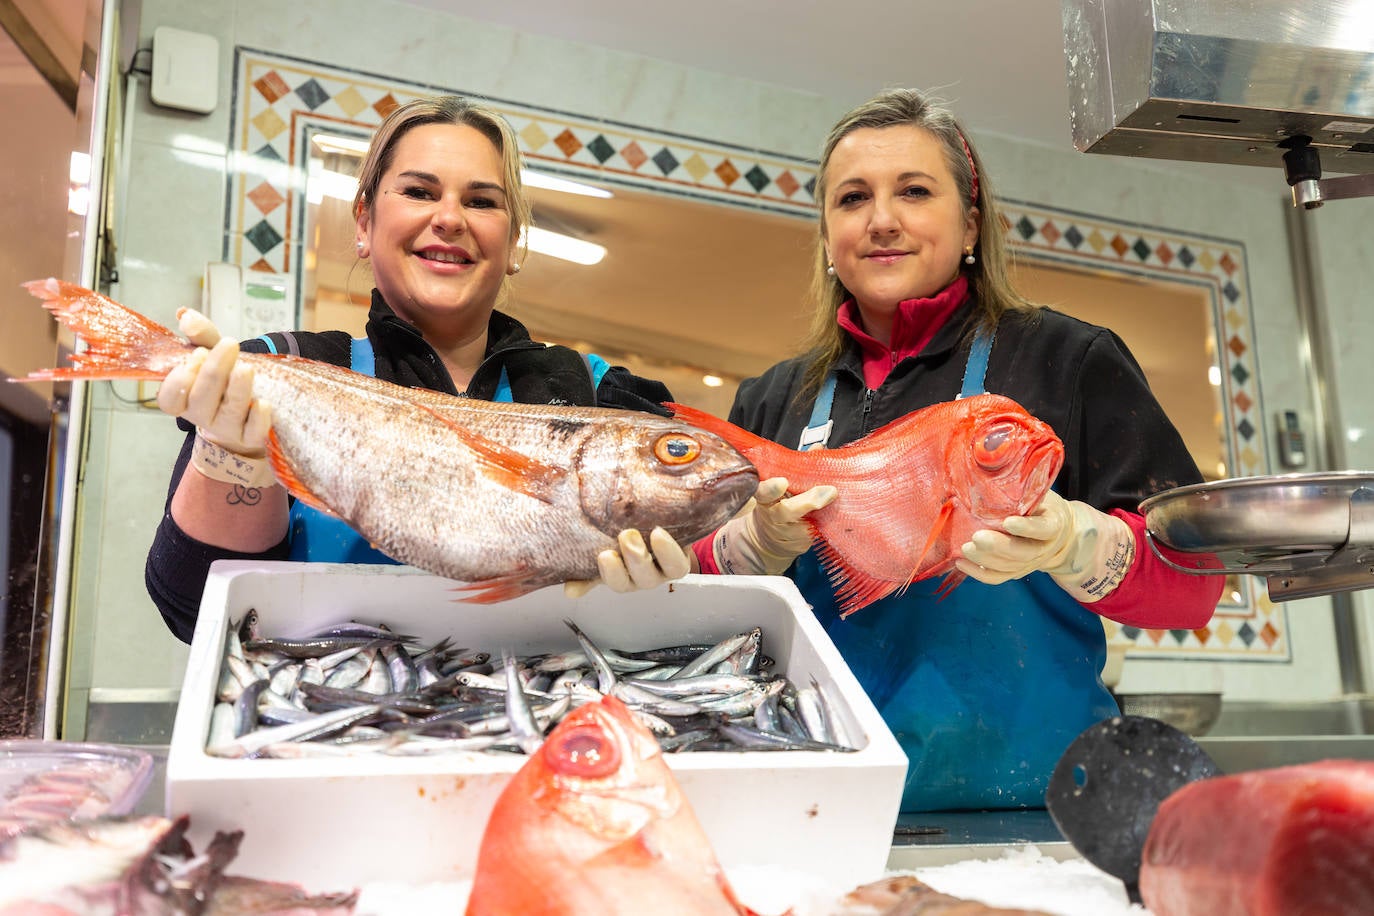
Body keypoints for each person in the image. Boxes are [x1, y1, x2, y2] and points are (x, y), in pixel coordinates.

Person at [691, 89, 1225, 813]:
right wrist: (745, 551)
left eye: (914, 191)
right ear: (825, 234)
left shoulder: (1069, 360)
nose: (882, 220)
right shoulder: (774, 398)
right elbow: (706, 617)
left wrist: (1076, 543)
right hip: (817, 803)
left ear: (971, 221)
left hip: (1036, 812)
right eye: (852, 198)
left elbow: (1194, 585)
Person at [146, 94, 821, 641]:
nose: (449, 218)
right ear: (363, 220)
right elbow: (191, 612)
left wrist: (748, 550)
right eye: (418, 191)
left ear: (514, 240)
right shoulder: (285, 370)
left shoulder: (600, 396)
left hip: (545, 752)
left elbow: (686, 603)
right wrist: (228, 456)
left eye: (482, 200)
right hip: (326, 740)